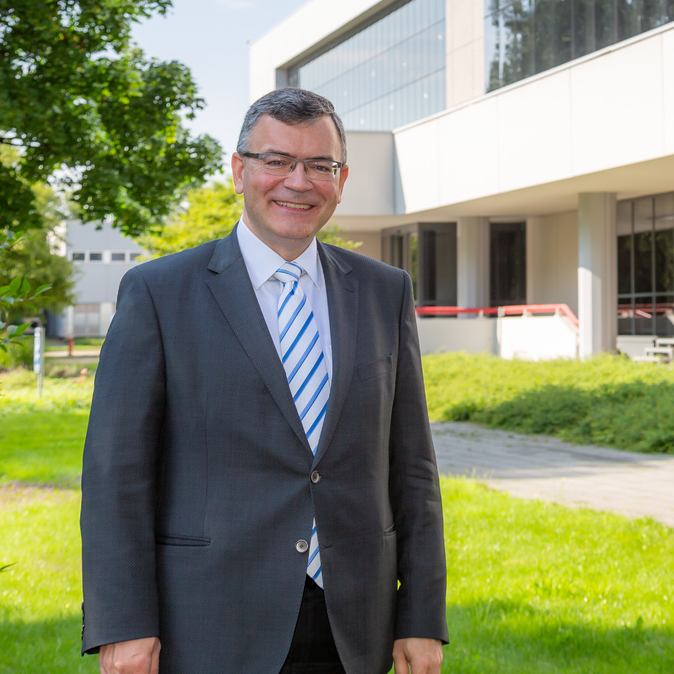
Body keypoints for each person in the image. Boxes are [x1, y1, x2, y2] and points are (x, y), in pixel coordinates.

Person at [81, 88, 447, 674]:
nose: (297, 182)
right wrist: (123, 625)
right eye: (276, 160)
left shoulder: (385, 292)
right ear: (238, 169)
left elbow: (414, 471)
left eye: (318, 165)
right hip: (205, 623)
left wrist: (423, 618)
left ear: (341, 178)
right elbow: (115, 475)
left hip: (356, 626)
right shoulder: (158, 293)